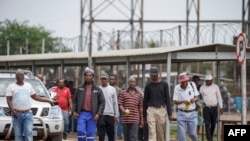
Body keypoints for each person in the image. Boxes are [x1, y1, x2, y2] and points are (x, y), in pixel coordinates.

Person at [6, 69, 55, 141]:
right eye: (18, 77)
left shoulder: (28, 85)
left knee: (28, 133)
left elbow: (35, 96)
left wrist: (48, 100)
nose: (19, 78)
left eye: (21, 76)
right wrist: (12, 111)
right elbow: (8, 99)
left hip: (28, 114)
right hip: (17, 114)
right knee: (18, 135)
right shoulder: (11, 86)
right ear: (16, 77)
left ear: (23, 77)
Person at [72, 67, 105, 141]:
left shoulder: (97, 89)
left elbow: (102, 102)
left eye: (90, 75)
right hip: (81, 113)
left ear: (93, 76)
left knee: (91, 134)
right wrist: (73, 111)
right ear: (84, 76)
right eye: (87, 75)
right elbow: (74, 101)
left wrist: (98, 114)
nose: (88, 77)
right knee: (80, 131)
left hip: (92, 115)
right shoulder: (80, 88)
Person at [143, 66, 172, 141]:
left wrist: (170, 114)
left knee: (160, 133)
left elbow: (167, 100)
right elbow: (145, 101)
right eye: (150, 75)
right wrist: (144, 116)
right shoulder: (148, 86)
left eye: (153, 75)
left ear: (157, 75)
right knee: (152, 132)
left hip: (161, 110)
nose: (151, 76)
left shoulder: (164, 84)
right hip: (151, 110)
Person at [173, 72, 199, 141]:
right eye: (182, 82)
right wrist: (183, 101)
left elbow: (197, 96)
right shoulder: (177, 88)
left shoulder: (192, 85)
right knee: (181, 136)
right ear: (180, 82)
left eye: (185, 81)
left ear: (187, 80)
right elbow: (175, 101)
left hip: (192, 113)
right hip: (181, 113)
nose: (184, 83)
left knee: (192, 133)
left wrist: (194, 99)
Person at [118, 76, 144, 141]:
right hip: (125, 119)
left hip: (135, 119)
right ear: (128, 83)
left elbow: (140, 107)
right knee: (126, 138)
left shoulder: (139, 94)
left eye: (134, 82)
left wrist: (142, 119)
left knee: (134, 137)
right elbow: (120, 104)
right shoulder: (123, 93)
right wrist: (124, 110)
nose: (133, 83)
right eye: (131, 82)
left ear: (135, 83)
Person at [200, 74, 223, 141]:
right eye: (206, 81)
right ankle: (209, 139)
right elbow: (200, 98)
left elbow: (219, 97)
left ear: (212, 80)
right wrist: (200, 108)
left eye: (209, 81)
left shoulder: (215, 87)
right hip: (206, 108)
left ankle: (211, 136)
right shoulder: (202, 87)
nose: (207, 82)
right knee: (207, 123)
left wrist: (221, 107)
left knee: (213, 124)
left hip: (214, 108)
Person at [97, 71, 119, 141]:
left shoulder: (112, 89)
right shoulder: (97, 89)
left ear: (107, 79)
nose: (103, 80)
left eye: (105, 79)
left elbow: (115, 103)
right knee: (101, 135)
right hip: (101, 115)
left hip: (110, 115)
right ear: (100, 79)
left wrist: (116, 115)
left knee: (111, 135)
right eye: (102, 79)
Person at [109, 74, 123, 139]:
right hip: (107, 111)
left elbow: (120, 101)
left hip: (115, 111)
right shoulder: (105, 88)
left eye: (113, 79)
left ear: (115, 80)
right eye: (110, 79)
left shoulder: (118, 90)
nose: (111, 80)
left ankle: (118, 135)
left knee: (115, 128)